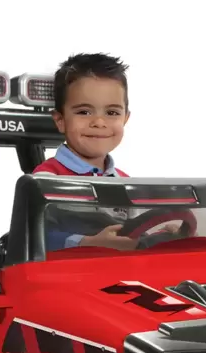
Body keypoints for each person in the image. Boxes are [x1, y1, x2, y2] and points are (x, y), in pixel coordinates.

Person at [33, 52, 138, 251]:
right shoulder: (46, 179)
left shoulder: (127, 183)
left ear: (125, 118)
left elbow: (138, 230)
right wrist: (86, 243)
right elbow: (34, 237)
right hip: (70, 269)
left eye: (112, 112)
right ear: (60, 120)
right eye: (84, 112)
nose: (99, 122)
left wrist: (161, 232)